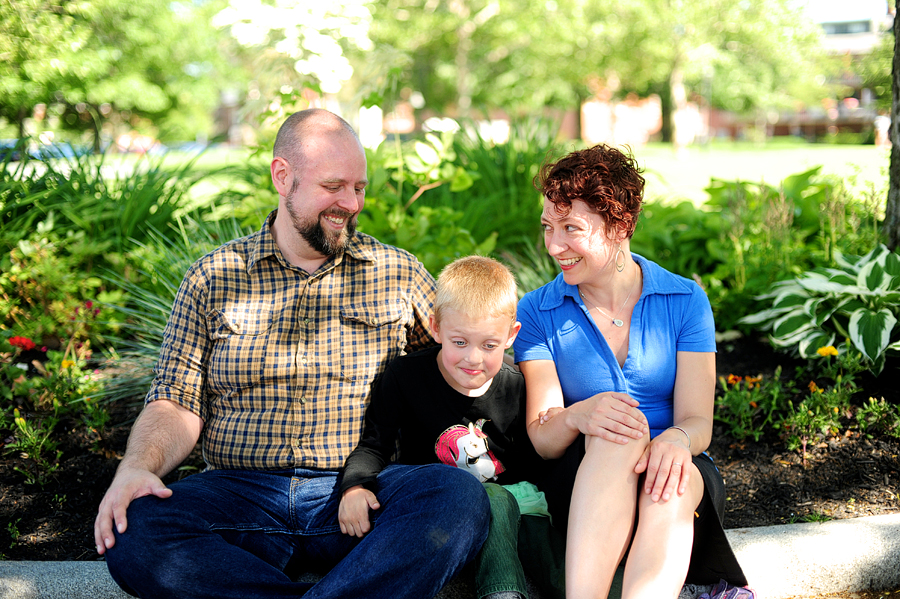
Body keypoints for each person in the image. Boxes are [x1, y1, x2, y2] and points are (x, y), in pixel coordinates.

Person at [93, 108, 490, 599]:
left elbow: (458, 366)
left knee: (457, 499)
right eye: (334, 186)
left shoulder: (397, 274)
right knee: (135, 526)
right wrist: (136, 468)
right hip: (239, 497)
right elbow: (176, 400)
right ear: (283, 177)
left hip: (358, 495)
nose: (351, 202)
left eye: (359, 188)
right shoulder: (215, 276)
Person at [513, 144, 747, 599]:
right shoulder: (539, 310)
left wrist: (676, 440)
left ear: (620, 226)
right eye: (547, 228)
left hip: (680, 475)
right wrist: (580, 415)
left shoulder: (684, 301)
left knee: (671, 476)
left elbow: (698, 422)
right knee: (617, 430)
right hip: (586, 479)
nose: (554, 246)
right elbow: (542, 440)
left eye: (571, 229)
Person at [339, 255, 539, 599]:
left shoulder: (518, 387)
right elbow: (375, 444)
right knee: (483, 494)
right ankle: (503, 593)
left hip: (509, 510)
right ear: (435, 328)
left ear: (510, 335)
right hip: (438, 513)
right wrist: (355, 487)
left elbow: (535, 463)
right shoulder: (406, 377)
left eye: (489, 345)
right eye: (459, 342)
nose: (473, 358)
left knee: (499, 500)